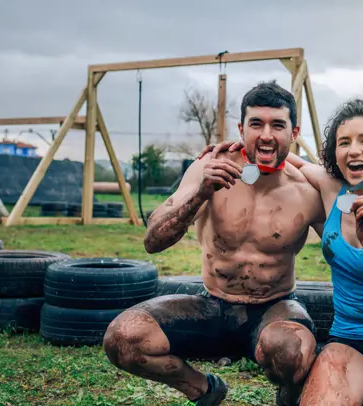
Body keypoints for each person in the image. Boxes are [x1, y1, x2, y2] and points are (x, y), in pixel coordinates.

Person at [200, 98, 363, 405]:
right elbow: (284, 158)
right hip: (352, 343)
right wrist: (241, 145)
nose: (353, 150)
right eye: (344, 142)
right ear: (336, 155)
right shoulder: (331, 189)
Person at [102, 81, 329, 406]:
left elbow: (346, 251)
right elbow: (153, 240)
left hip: (274, 308)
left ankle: (289, 396)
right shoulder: (208, 168)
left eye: (277, 125)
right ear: (241, 129)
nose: (266, 134)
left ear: (293, 133)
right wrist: (200, 194)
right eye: (256, 124)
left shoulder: (307, 189)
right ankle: (204, 391)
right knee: (123, 339)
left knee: (291, 350)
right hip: (212, 305)